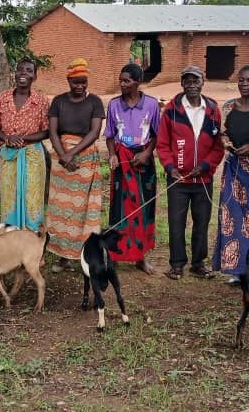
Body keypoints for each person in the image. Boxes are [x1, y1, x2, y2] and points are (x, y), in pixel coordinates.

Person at [156, 65, 225, 280]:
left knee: (202, 221)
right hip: (178, 179)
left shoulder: (213, 109)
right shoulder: (171, 110)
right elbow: (163, 144)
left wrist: (205, 166)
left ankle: (198, 263)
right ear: (182, 83)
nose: (191, 85)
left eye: (195, 80)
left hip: (203, 178)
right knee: (176, 222)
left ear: (203, 82)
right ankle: (176, 264)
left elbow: (218, 145)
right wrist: (170, 168)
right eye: (187, 81)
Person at [46, 58, 106, 270]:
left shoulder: (95, 102)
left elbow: (94, 132)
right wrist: (63, 155)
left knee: (83, 210)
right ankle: (63, 256)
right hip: (61, 160)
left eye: (83, 82)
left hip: (85, 159)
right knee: (62, 210)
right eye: (75, 82)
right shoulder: (58, 101)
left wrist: (72, 153)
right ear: (68, 81)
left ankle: (83, 254)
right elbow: (53, 131)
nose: (79, 86)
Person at [211, 65, 249, 283]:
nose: (244, 84)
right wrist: (225, 142)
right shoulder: (229, 106)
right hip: (233, 168)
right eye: (241, 80)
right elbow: (221, 132)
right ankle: (236, 269)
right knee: (232, 217)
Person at [104, 63, 160, 275]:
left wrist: (146, 154)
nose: (122, 84)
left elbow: (156, 135)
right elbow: (110, 135)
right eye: (120, 80)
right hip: (122, 161)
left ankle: (140, 257)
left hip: (143, 162)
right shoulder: (114, 105)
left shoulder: (152, 105)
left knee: (143, 209)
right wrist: (112, 155)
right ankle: (116, 254)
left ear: (138, 82)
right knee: (118, 209)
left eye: (126, 81)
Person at [0, 58, 50, 231]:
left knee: (32, 198)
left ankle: (32, 243)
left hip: (32, 156)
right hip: (9, 156)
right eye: (20, 69)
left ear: (35, 76)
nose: (23, 73)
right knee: (10, 198)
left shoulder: (41, 101)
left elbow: (46, 131)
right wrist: (7, 138)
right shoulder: (4, 98)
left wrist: (24, 139)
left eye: (29, 70)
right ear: (15, 74)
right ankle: (12, 241)